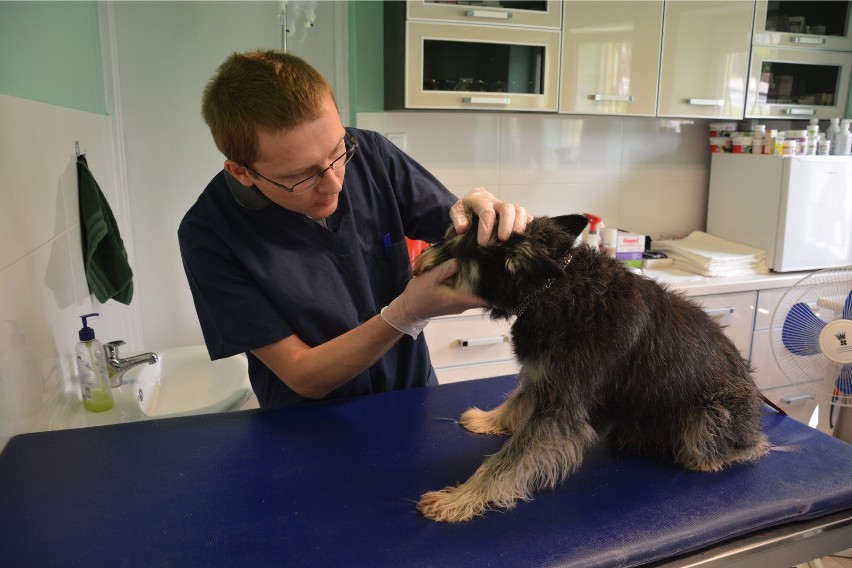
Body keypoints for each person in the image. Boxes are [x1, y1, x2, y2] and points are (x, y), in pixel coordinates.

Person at [178, 50, 529, 408]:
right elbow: (301, 374)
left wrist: (484, 211)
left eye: (337, 152)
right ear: (243, 172)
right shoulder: (209, 234)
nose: (333, 184)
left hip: (413, 400)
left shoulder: (371, 154)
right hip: (310, 429)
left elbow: (460, 229)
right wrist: (404, 314)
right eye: (301, 175)